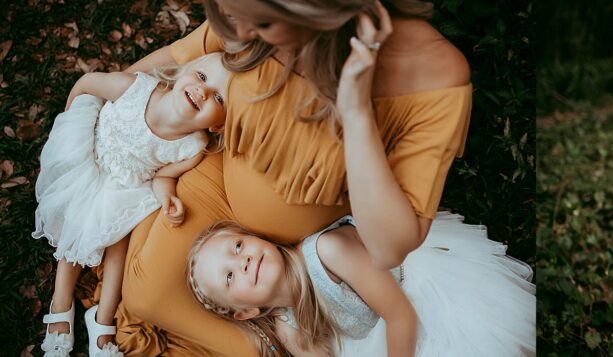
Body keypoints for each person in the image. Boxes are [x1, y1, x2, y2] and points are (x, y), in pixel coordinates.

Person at [112, 0, 476, 354]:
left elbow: (387, 248)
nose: (242, 34)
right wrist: (108, 108)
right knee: (145, 297)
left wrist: (356, 114)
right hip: (217, 181)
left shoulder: (436, 78)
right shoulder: (251, 21)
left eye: (262, 25)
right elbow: (179, 56)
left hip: (306, 244)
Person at [33, 52, 229, 357]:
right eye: (202, 77)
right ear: (184, 73)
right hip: (93, 161)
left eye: (218, 97)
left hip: (128, 187)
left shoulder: (193, 147)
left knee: (118, 243)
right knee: (79, 223)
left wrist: (168, 196)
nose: (202, 91)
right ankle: (61, 302)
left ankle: (103, 318)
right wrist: (68, 123)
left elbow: (164, 176)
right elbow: (86, 83)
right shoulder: (136, 88)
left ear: (217, 126)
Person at [185, 213, 535, 356]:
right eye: (229, 277)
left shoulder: (327, 251)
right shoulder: (289, 328)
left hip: (416, 296)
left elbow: (401, 316)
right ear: (247, 311)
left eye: (238, 246)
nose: (242, 261)